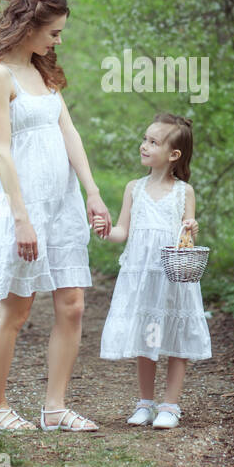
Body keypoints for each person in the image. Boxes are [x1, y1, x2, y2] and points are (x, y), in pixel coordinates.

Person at [0, 0, 112, 432]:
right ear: (29, 27)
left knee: (72, 305)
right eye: (53, 32)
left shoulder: (44, 73)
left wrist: (92, 192)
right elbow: (2, 152)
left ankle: (54, 408)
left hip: (64, 205)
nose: (58, 40)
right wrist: (21, 217)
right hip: (25, 207)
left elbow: (70, 134)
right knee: (17, 309)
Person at [94, 113, 210, 429]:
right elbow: (123, 231)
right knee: (147, 334)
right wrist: (106, 230)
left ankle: (170, 405)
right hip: (142, 274)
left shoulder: (184, 191)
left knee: (175, 333)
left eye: (153, 142)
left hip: (172, 273)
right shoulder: (135, 188)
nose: (144, 145)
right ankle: (145, 403)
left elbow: (187, 236)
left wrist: (192, 227)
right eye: (145, 139)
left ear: (174, 155)